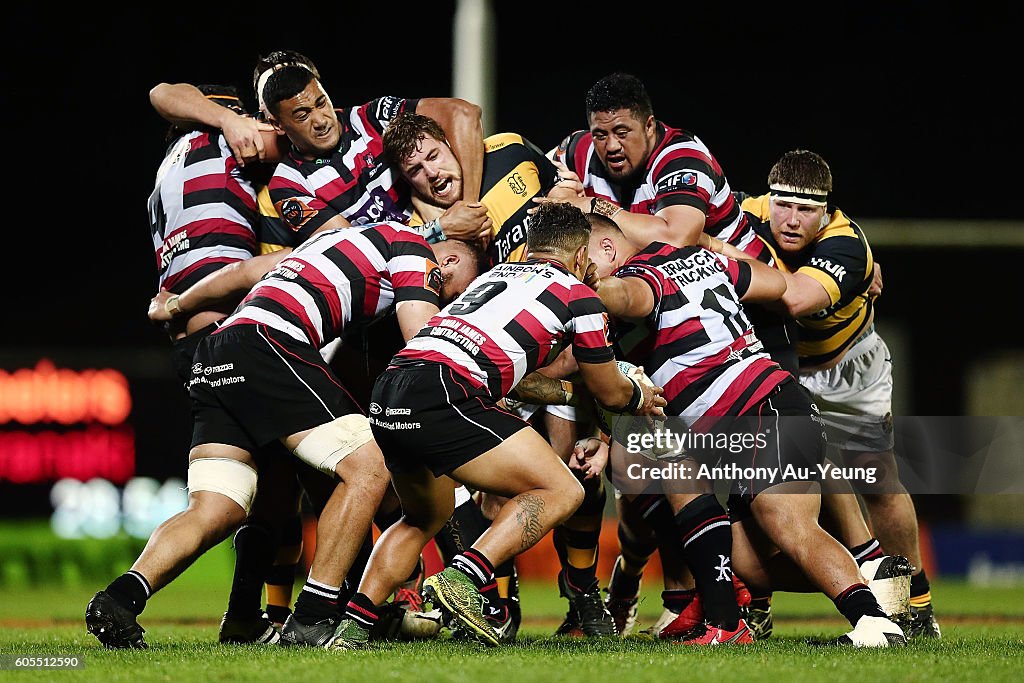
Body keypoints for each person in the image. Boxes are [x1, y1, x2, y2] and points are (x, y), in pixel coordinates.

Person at [84, 222, 480, 649]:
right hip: (269, 342)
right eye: (459, 291)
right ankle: (313, 616)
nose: (452, 302)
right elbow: (425, 345)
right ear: (450, 260)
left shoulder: (329, 243)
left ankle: (119, 599)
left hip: (217, 351)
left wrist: (178, 303)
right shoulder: (414, 250)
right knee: (370, 466)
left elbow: (242, 272)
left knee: (216, 508)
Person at [324, 202, 666, 650]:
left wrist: (571, 394)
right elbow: (611, 392)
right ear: (581, 256)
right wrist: (638, 393)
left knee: (422, 517)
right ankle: (465, 576)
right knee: (563, 490)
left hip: (391, 388)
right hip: (444, 391)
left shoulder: (494, 277)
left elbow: (520, 381)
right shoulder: (578, 294)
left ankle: (353, 628)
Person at [587, 212, 908, 647]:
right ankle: (874, 584)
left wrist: (580, 286)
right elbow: (778, 285)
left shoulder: (638, 278)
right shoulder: (701, 258)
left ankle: (874, 623)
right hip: (767, 409)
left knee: (787, 523)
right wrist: (723, 250)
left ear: (607, 250)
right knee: (744, 561)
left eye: (579, 259)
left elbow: (623, 295)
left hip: (760, 410)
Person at [382, 111, 618, 637]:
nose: (431, 174)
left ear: (452, 147)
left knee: (575, 471)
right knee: (492, 491)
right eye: (414, 169)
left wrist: (565, 190)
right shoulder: (419, 232)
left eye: (434, 156)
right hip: (479, 365)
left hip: (551, 351)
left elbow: (566, 183)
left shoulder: (510, 153)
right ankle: (492, 602)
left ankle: (581, 595)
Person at [739, 149, 939, 639]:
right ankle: (754, 603)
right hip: (781, 372)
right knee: (757, 483)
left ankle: (914, 604)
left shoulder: (847, 244)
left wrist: (711, 246)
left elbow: (792, 298)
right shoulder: (746, 216)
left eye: (806, 210)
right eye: (783, 205)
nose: (790, 220)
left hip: (848, 371)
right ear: (769, 200)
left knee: (877, 479)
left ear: (826, 211)